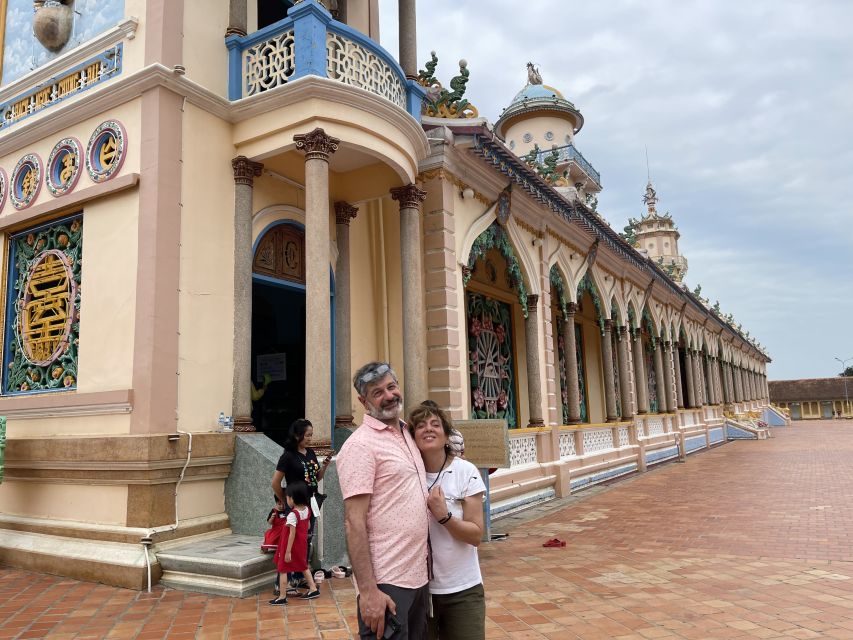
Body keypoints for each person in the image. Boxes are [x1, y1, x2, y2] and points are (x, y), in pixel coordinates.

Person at [337, 362, 429, 640]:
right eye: (378, 392)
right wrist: (367, 592)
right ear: (363, 402)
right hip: (387, 582)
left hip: (418, 576)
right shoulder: (360, 446)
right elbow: (354, 522)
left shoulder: (406, 433)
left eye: (391, 387)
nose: (389, 396)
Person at [408, 403, 486, 640]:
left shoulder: (465, 471)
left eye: (435, 424)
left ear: (446, 435)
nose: (428, 429)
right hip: (418, 590)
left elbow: (475, 536)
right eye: (420, 426)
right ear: (413, 438)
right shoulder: (407, 475)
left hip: (462, 589)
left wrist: (444, 516)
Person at [271, 419, 333, 587]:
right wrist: (284, 501)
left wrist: (325, 466)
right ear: (297, 435)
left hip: (310, 503)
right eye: (307, 435)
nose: (310, 439)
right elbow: (275, 482)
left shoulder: (311, 453)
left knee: (305, 540)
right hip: (295, 506)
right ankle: (283, 582)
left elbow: (316, 478)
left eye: (311, 435)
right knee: (290, 541)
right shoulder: (288, 456)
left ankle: (300, 577)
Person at [270, 481, 320, 604]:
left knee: (282, 569)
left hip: (290, 547)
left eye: (287, 497)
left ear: (292, 499)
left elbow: (291, 534)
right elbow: (307, 526)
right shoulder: (307, 510)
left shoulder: (293, 514)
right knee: (303, 566)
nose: (286, 499)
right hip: (301, 545)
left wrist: (287, 552)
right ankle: (313, 589)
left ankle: (282, 596)